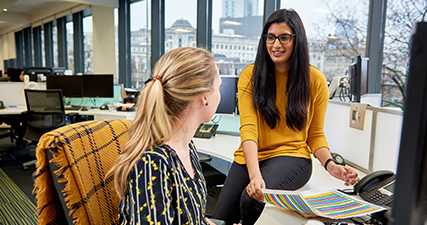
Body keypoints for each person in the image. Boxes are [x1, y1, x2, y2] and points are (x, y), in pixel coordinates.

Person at [212, 9, 360, 225]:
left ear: (296, 40)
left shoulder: (315, 80)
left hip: (292, 158)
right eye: (270, 37)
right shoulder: (250, 76)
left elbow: (315, 135)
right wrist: (255, 175)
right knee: (220, 219)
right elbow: (249, 129)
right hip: (251, 157)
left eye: (284, 38)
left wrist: (330, 165)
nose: (276, 44)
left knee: (251, 199)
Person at [110, 47, 221, 225]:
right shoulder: (151, 164)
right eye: (218, 87)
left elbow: (192, 216)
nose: (219, 95)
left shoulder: (186, 146)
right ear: (204, 96)